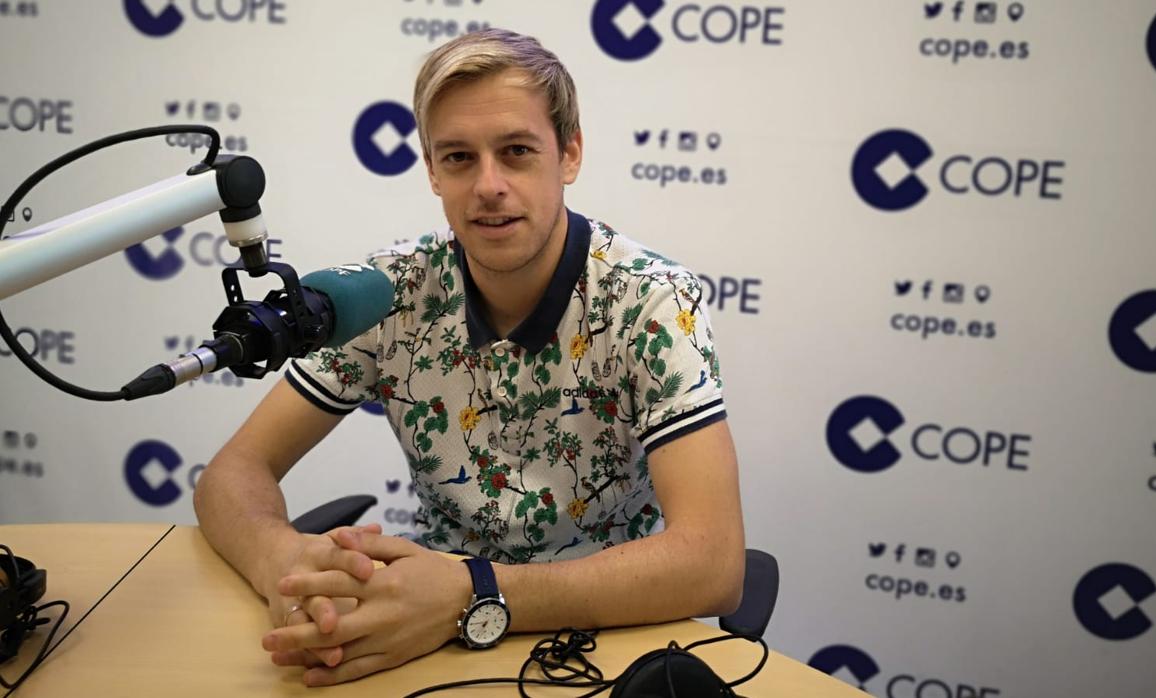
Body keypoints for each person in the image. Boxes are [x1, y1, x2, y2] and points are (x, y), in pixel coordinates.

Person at [193, 28, 745, 687]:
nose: (489, 186)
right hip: (426, 638)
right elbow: (233, 472)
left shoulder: (651, 302)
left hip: (611, 641)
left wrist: (473, 592)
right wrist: (287, 570)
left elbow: (713, 564)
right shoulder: (385, 293)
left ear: (568, 153)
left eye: (516, 152)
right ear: (431, 169)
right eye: (458, 157)